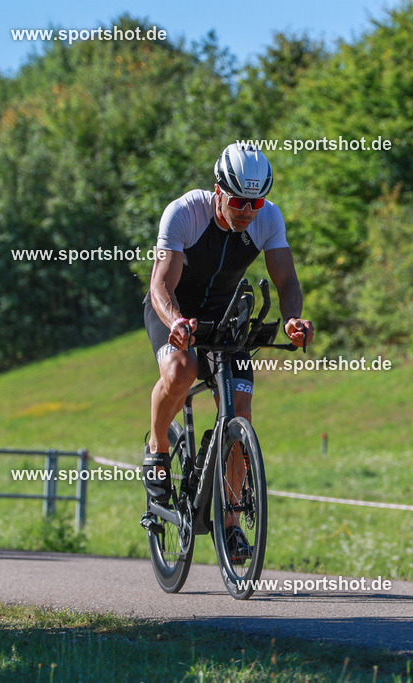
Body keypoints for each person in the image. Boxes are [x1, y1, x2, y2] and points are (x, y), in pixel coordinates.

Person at [142, 143, 314, 560]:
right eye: (238, 202)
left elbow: (287, 281)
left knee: (239, 407)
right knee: (181, 371)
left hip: (224, 315)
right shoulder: (184, 212)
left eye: (256, 203)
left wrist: (292, 319)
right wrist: (176, 322)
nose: (247, 212)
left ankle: (232, 524)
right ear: (218, 191)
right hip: (173, 310)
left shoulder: (268, 217)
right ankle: (158, 448)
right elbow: (160, 284)